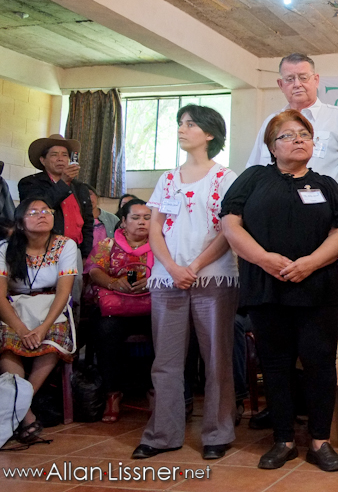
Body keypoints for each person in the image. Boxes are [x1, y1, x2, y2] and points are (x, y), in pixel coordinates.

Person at [222, 109, 338, 471]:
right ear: (271, 146)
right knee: (276, 365)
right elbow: (230, 224)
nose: (298, 140)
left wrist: (312, 262)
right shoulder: (252, 179)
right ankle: (283, 439)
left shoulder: (325, 184)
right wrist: (263, 259)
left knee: (319, 363)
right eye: (287, 135)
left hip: (318, 288)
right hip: (266, 285)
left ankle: (320, 441)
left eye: (304, 135)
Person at [132, 105, 239, 462]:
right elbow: (155, 228)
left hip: (213, 276)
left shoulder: (226, 177)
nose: (182, 129)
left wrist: (193, 265)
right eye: (180, 123)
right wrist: (172, 267)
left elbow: (229, 230)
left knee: (216, 358)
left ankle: (218, 432)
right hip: (168, 278)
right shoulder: (166, 178)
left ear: (209, 133)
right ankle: (162, 433)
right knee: (166, 359)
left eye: (190, 124)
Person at [0, 197, 78, 443]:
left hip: (51, 306)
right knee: (6, 340)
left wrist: (42, 328)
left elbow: (64, 292)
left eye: (46, 211)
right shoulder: (4, 248)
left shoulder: (65, 245)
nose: (42, 215)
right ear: (20, 223)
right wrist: (20, 329)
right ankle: (26, 414)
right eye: (33, 212)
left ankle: (18, 407)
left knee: (53, 341)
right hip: (14, 306)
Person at [86, 198, 154, 423]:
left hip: (149, 306)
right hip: (116, 308)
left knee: (165, 329)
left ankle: (154, 391)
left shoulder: (160, 244)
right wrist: (113, 283)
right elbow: (95, 271)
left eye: (147, 218)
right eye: (135, 218)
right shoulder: (107, 245)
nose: (142, 223)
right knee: (106, 330)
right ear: (123, 221)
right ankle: (112, 393)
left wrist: (151, 280)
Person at [19, 135, 94, 313]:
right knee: (45, 296)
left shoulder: (81, 188)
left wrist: (85, 253)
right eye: (54, 155)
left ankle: (71, 335)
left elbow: (88, 222)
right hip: (42, 249)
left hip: (74, 249)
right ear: (43, 160)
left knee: (73, 299)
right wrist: (64, 183)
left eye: (64, 155)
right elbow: (39, 207)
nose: (60, 159)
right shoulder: (30, 183)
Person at [246, 53, 338, 183]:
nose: (297, 84)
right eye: (289, 79)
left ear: (316, 80)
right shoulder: (271, 122)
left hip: (322, 200)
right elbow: (254, 168)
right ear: (281, 84)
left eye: (303, 77)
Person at [83, 187, 119, 275]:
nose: (87, 198)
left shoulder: (112, 218)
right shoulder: (76, 220)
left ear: (97, 197)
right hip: (83, 262)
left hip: (108, 263)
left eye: (90, 194)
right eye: (83, 194)